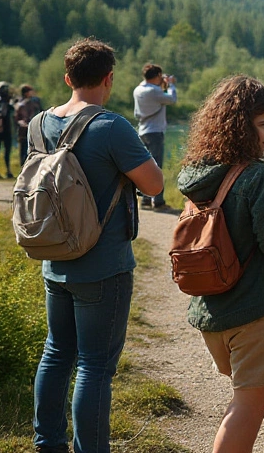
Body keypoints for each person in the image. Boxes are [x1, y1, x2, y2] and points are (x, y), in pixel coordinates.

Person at [32, 38, 164, 453]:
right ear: (109, 79)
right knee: (94, 365)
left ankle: (47, 443)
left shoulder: (38, 123)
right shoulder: (110, 126)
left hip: (54, 258)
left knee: (56, 353)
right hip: (103, 265)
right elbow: (154, 184)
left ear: (67, 78)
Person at [177, 75, 264, 453]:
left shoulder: (199, 174)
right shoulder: (258, 177)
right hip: (253, 311)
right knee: (248, 408)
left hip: (211, 309)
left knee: (241, 401)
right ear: (241, 126)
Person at [133, 63, 177, 209]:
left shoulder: (138, 90)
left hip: (142, 131)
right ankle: (158, 201)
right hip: (155, 132)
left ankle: (145, 199)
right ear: (157, 76)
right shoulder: (154, 91)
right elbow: (172, 99)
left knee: (145, 167)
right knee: (157, 167)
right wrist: (170, 85)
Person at [0, 80, 16, 179]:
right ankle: (2, 171)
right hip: (3, 129)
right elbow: (3, 113)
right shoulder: (1, 102)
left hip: (1, 129)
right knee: (1, 151)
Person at [15, 84, 43, 163]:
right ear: (26, 93)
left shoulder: (35, 102)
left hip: (34, 128)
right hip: (24, 130)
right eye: (31, 91)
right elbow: (17, 118)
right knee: (23, 149)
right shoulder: (20, 103)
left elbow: (40, 112)